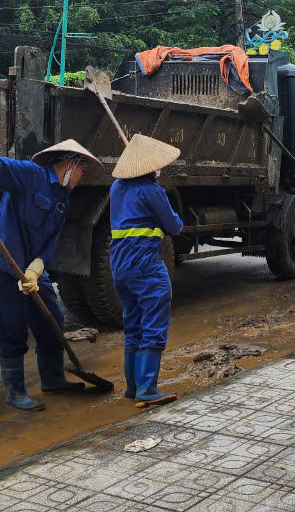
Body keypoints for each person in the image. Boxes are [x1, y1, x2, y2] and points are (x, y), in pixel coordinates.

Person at [0, 140, 103, 411]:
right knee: (13, 328)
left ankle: (53, 379)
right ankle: (15, 391)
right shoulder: (30, 175)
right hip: (4, 267)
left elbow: (50, 243)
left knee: (53, 320)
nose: (81, 179)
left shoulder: (62, 200)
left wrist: (37, 268)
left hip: (33, 272)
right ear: (71, 164)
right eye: (82, 171)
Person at [109, 134, 184, 408]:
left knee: (134, 326)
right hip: (146, 265)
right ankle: (148, 389)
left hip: (120, 266)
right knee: (153, 326)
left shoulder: (116, 187)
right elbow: (174, 227)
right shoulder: (152, 191)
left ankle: (132, 387)